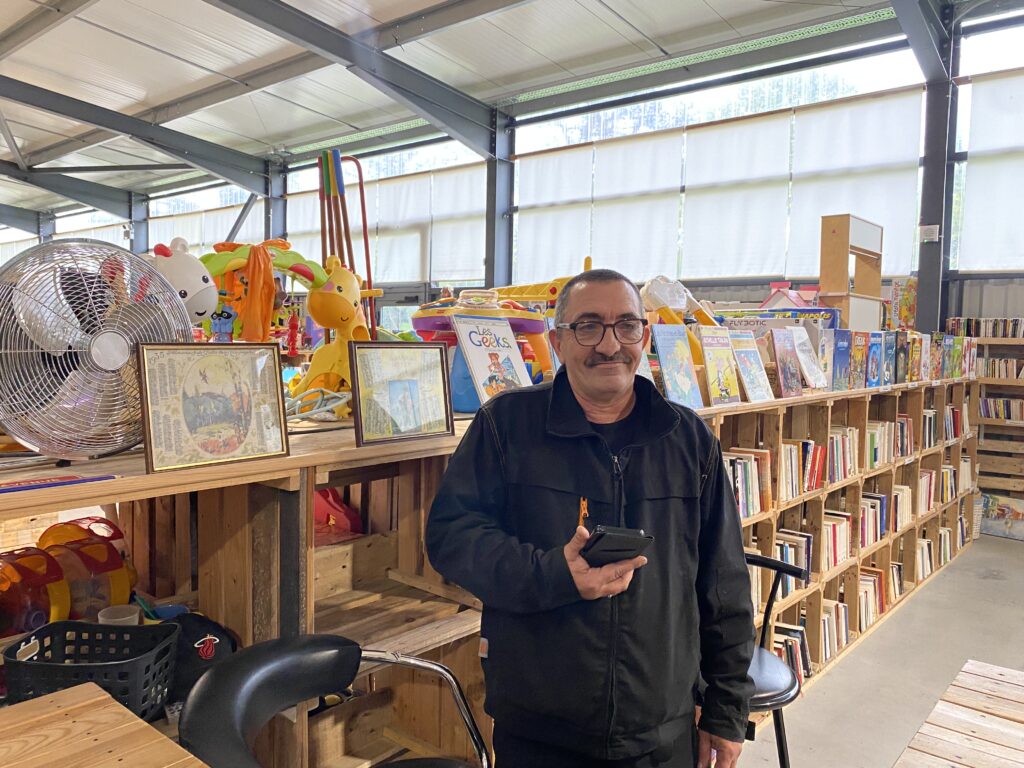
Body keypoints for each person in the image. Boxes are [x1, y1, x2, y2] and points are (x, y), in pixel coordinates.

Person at [426, 269, 754, 768]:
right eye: (588, 327)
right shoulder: (505, 426)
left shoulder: (689, 441)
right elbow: (452, 539)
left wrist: (726, 710)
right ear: (557, 342)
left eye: (625, 326)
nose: (609, 345)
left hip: (660, 731)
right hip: (540, 730)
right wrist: (555, 574)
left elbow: (724, 584)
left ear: (644, 337)